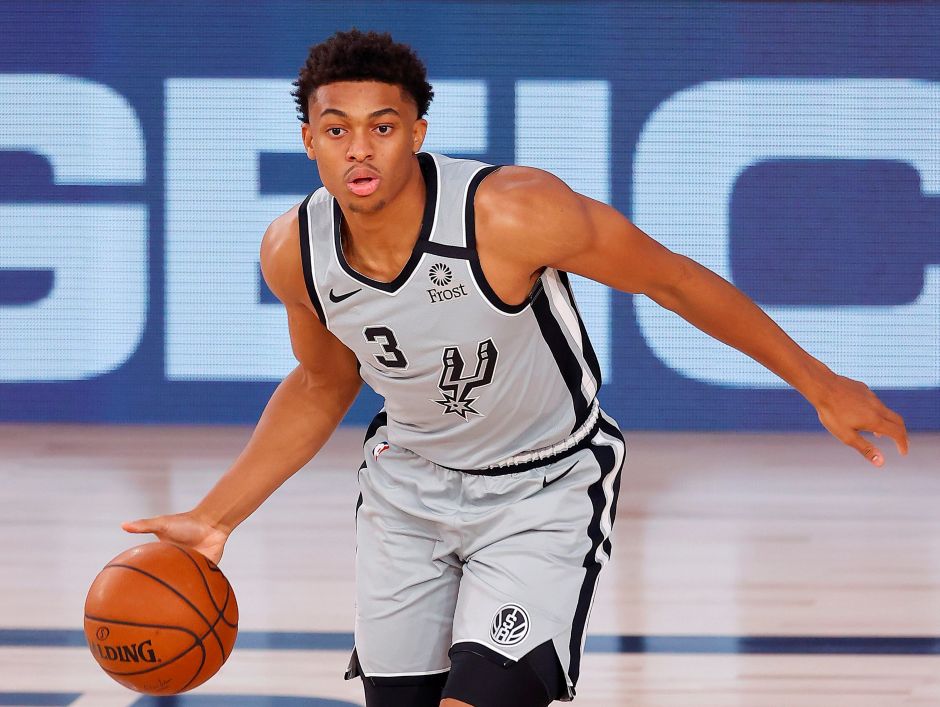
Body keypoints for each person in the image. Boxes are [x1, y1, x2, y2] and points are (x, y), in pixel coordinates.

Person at [123, 29, 910, 707]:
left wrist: (820, 383)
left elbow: (671, 279)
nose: (359, 148)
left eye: (382, 126)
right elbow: (323, 383)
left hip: (543, 488)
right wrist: (217, 515)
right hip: (407, 494)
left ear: (417, 132)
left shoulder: (513, 211)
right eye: (336, 129)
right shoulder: (293, 250)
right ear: (308, 141)